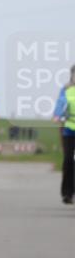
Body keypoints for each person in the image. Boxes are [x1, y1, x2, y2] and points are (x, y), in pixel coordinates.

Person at [52, 65, 75, 205]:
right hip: (68, 130)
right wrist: (57, 115)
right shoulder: (66, 89)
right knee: (68, 160)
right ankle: (67, 193)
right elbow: (60, 104)